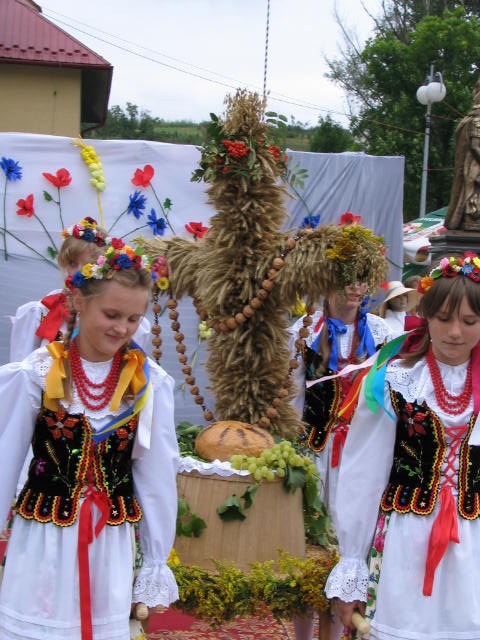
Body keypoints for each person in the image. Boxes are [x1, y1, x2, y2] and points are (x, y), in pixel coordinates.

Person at [0, 241, 179, 640]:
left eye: (133, 318)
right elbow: (4, 461)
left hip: (108, 545)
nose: (122, 329)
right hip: (43, 540)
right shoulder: (37, 373)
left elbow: (156, 477)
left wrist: (155, 561)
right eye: (111, 315)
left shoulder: (148, 383)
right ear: (78, 302)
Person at [325, 252, 480, 639]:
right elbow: (363, 473)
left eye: (469, 321)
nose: (455, 332)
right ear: (425, 316)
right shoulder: (395, 380)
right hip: (406, 541)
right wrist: (352, 565)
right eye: (443, 318)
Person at [9, 217, 151, 361]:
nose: (78, 271)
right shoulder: (40, 313)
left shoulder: (130, 322)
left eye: (88, 264)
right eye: (72, 263)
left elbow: (133, 367)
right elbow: (21, 367)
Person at [444, 79, 480, 231]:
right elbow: (475, 146)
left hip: (471, 166)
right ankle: (472, 220)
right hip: (475, 166)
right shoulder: (477, 119)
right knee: (474, 196)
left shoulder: (469, 118)